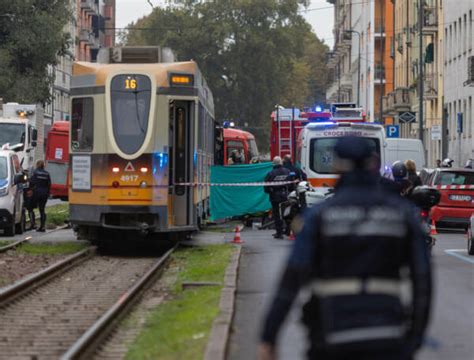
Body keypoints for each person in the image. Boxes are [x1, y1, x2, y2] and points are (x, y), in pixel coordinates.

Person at [259, 136, 431, 360]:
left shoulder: (319, 217)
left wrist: (269, 338)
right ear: (374, 162)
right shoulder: (401, 215)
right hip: (386, 338)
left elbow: (290, 281)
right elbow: (423, 281)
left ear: (338, 165)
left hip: (331, 337)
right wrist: (414, 337)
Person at [264, 156, 290, 239]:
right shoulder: (287, 171)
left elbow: (266, 186)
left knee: (277, 215)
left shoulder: (271, 173)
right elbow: (292, 183)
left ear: (274, 164)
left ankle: (279, 233)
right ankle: (288, 231)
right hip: (286, 195)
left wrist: (270, 192)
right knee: (287, 213)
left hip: (275, 196)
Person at [30, 160, 51, 232]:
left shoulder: (35, 172)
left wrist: (30, 189)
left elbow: (32, 182)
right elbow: (49, 185)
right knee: (42, 209)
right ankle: (43, 226)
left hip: (37, 193)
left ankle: (33, 224)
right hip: (44, 194)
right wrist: (48, 193)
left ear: (37, 165)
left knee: (30, 207)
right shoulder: (47, 173)